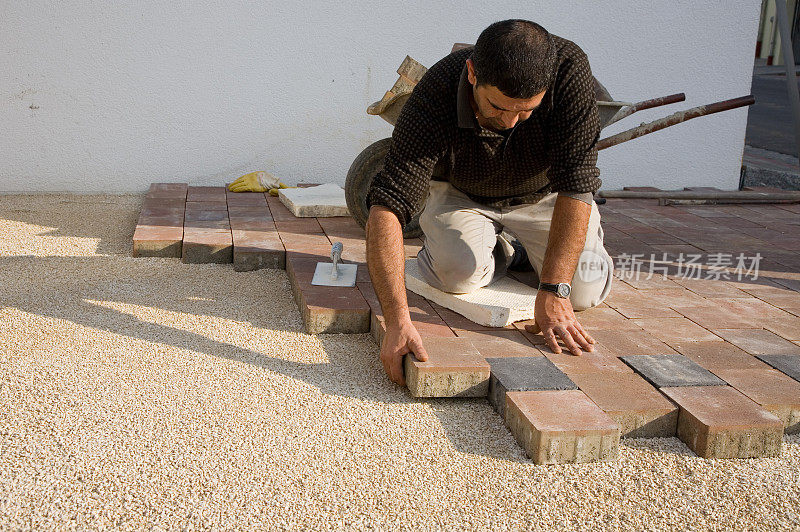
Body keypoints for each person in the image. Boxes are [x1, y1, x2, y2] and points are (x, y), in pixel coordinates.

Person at [365, 19, 615, 386]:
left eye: (526, 111)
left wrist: (554, 288)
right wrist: (397, 320)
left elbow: (577, 185)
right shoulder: (436, 91)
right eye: (498, 106)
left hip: (543, 196)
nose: (511, 121)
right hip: (463, 195)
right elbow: (387, 205)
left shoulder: (569, 71)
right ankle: (505, 252)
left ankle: (540, 251)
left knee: (582, 292)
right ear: (472, 74)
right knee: (456, 273)